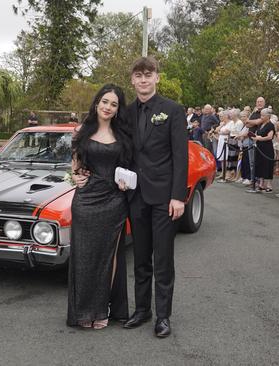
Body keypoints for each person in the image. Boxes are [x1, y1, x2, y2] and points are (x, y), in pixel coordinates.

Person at [123, 56, 188, 338]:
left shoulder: (172, 110)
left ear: (157, 78)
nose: (144, 79)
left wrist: (178, 197)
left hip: (164, 198)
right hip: (135, 197)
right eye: (139, 75)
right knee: (139, 258)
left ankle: (163, 316)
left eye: (148, 74)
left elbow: (180, 156)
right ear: (133, 80)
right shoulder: (125, 113)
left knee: (163, 259)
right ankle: (142, 310)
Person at [67, 84, 132, 329]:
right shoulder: (81, 131)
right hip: (85, 200)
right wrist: (74, 177)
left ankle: (102, 308)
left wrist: (126, 182)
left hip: (114, 201)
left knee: (108, 256)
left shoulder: (123, 134)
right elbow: (74, 167)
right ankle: (84, 310)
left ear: (117, 109)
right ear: (97, 103)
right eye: (105, 102)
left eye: (113, 104)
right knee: (84, 256)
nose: (108, 107)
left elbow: (128, 166)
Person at [253, 108, 275, 192]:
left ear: (268, 116)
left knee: (267, 165)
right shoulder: (260, 124)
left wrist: (260, 138)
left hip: (267, 147)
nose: (261, 117)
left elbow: (270, 137)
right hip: (259, 147)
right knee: (260, 164)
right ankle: (261, 183)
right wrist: (255, 137)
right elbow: (257, 133)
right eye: (261, 115)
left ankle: (269, 185)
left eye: (263, 115)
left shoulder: (270, 125)